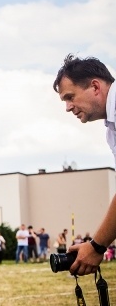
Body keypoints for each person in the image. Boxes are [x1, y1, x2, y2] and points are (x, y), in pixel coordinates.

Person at [53, 55, 116, 275]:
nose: (68, 108)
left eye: (70, 97)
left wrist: (97, 246)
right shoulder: (111, 129)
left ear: (95, 86)